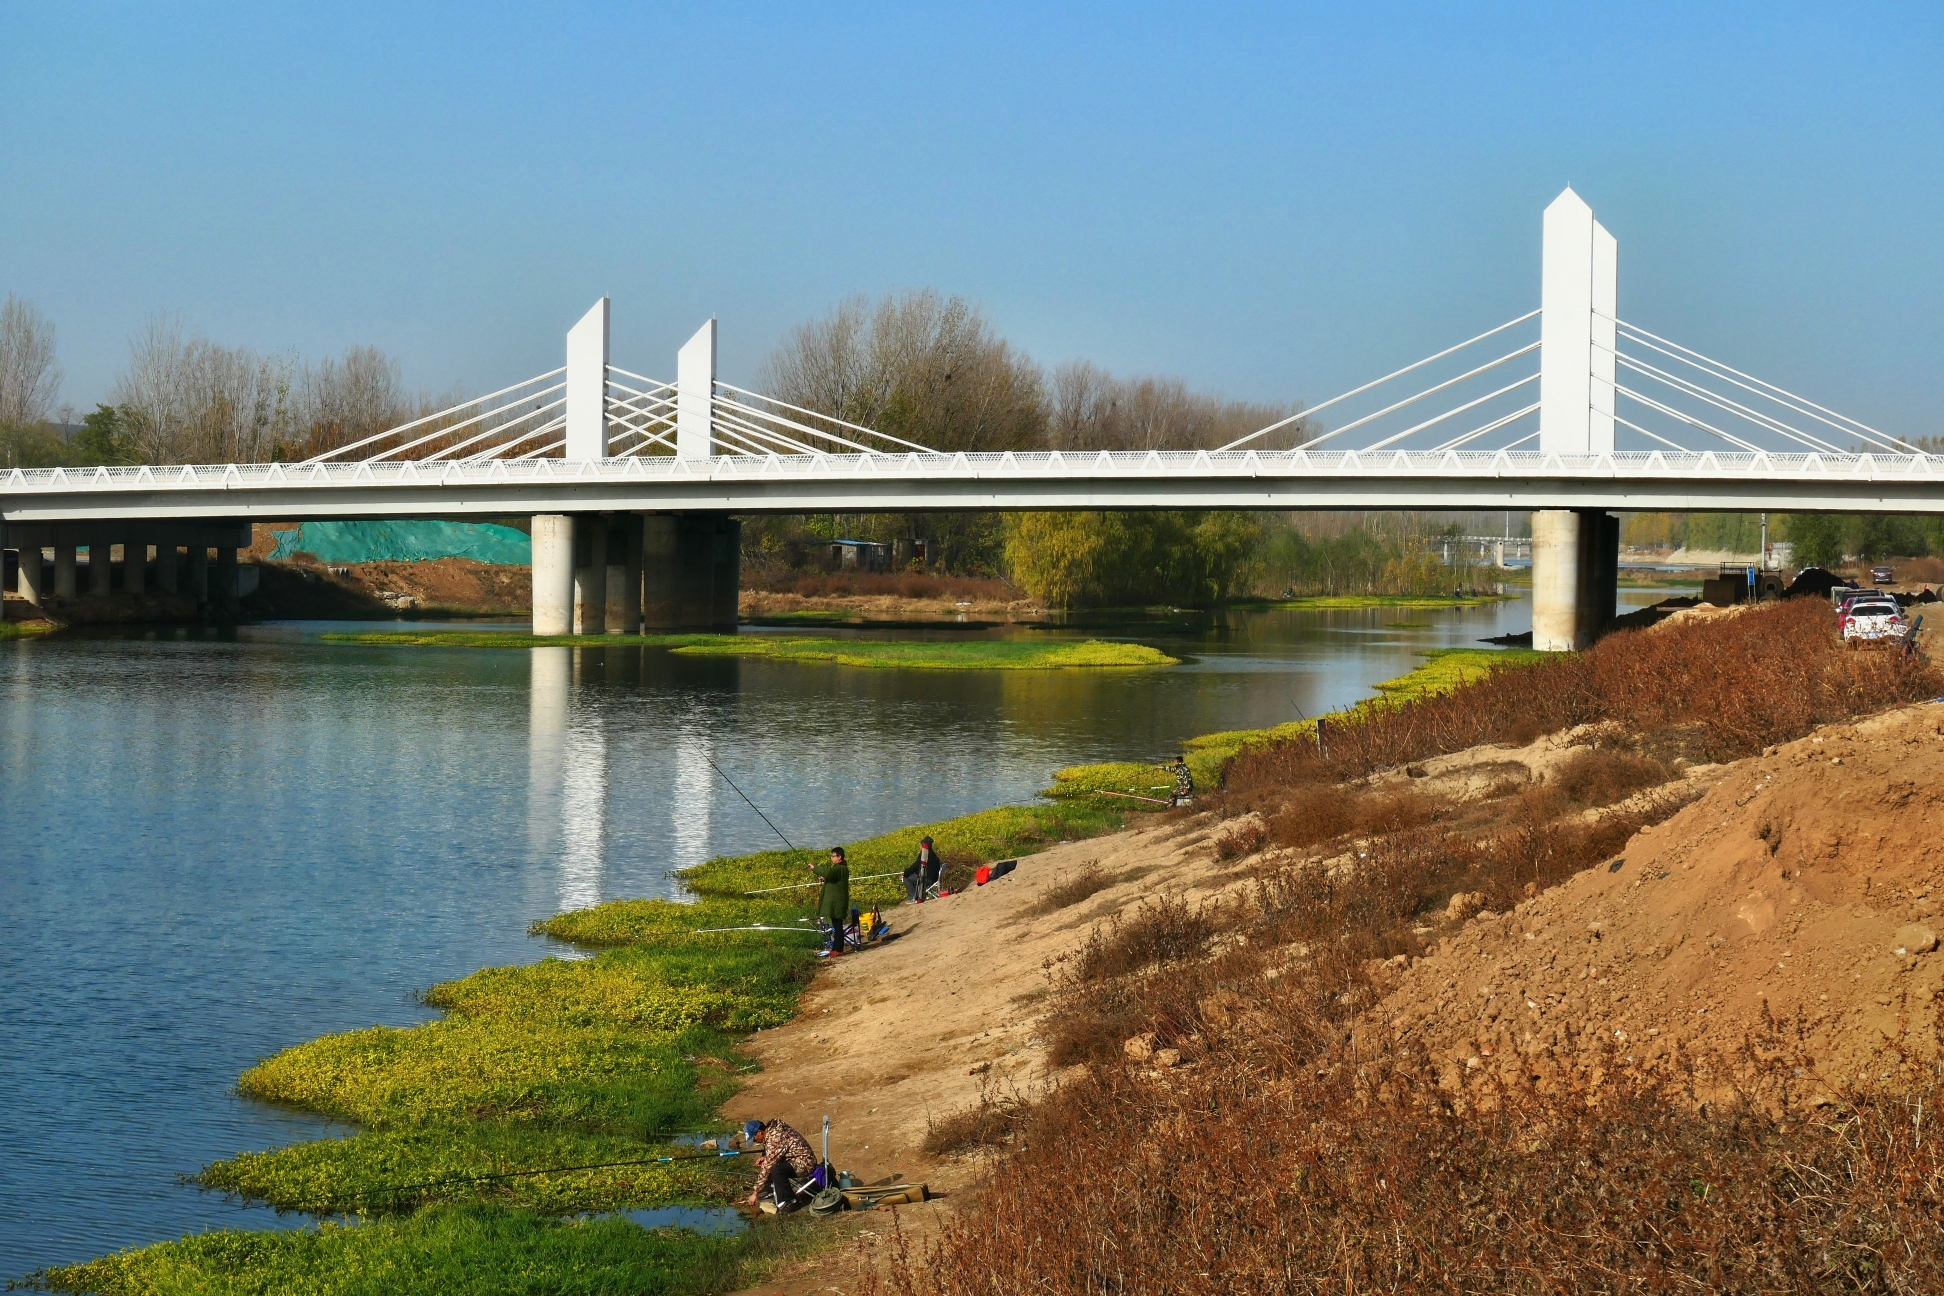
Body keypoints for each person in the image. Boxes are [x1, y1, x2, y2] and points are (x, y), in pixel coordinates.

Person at [742, 1118, 820, 1213]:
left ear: (760, 1132)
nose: (755, 1142)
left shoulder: (775, 1137)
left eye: (753, 1139)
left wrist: (755, 1193)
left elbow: (768, 1166)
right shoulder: (773, 1131)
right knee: (774, 1166)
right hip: (797, 1159)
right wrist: (765, 1157)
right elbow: (779, 1151)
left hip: (806, 1163)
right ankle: (780, 1196)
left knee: (776, 1169)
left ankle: (791, 1202)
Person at [814, 847, 850, 957]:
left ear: (839, 857)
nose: (831, 858)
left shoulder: (840, 868)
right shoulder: (839, 869)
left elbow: (829, 873)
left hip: (838, 903)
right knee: (836, 925)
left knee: (838, 926)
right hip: (838, 902)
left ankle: (838, 949)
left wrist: (814, 867)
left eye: (833, 856)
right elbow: (832, 877)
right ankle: (836, 948)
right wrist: (826, 879)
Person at [904, 835, 944, 902]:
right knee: (912, 876)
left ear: (923, 846)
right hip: (934, 878)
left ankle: (913, 898)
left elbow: (916, 866)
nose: (919, 847)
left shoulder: (924, 855)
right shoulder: (932, 853)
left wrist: (905, 873)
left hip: (928, 879)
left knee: (906, 878)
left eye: (920, 845)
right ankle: (918, 895)